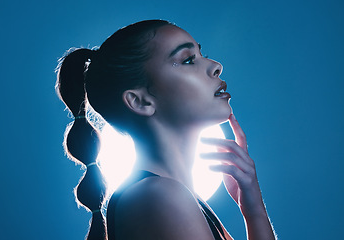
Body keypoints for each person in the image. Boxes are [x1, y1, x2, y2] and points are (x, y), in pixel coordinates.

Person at [56, 19, 276, 240]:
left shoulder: (173, 196)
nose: (216, 65)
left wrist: (253, 207)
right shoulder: (157, 196)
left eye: (201, 54)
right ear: (140, 101)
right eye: (188, 60)